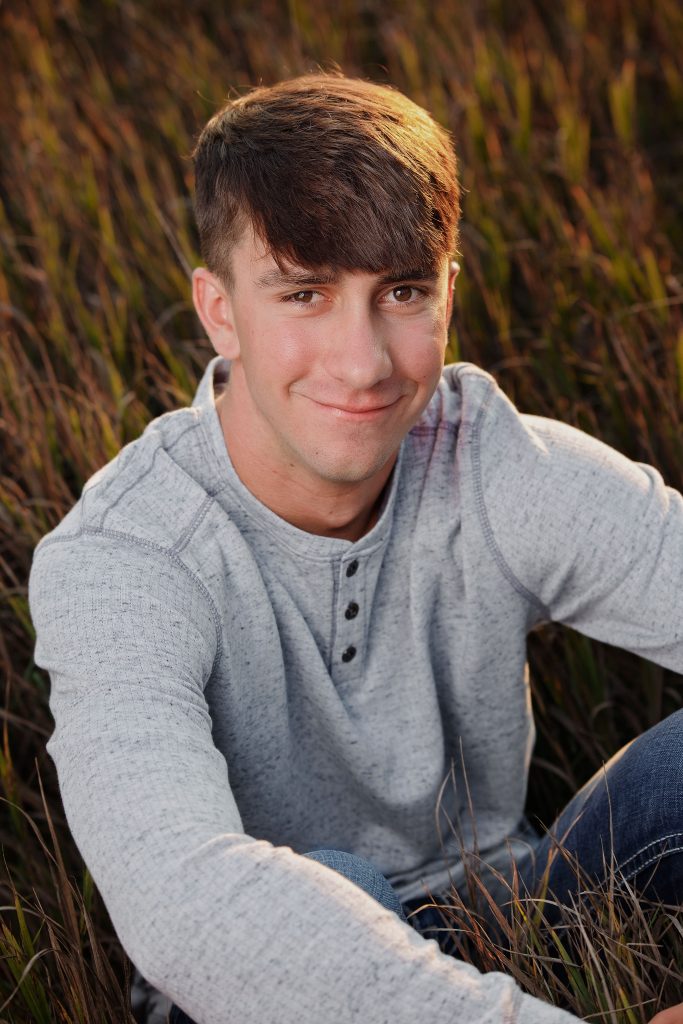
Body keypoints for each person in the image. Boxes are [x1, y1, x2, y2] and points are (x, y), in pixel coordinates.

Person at [27, 71, 682, 1024]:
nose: (364, 362)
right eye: (303, 294)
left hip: (511, 908)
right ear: (218, 309)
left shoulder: (491, 459)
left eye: (402, 292)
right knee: (322, 877)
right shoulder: (123, 558)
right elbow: (186, 901)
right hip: (263, 978)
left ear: (448, 291)